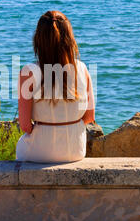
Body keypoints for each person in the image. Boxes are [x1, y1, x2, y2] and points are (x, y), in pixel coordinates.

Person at [16, 10, 95, 163]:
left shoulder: (28, 72)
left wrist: (45, 129)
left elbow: (25, 126)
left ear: (38, 40)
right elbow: (89, 117)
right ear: (70, 39)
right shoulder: (83, 68)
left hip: (39, 152)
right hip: (75, 151)